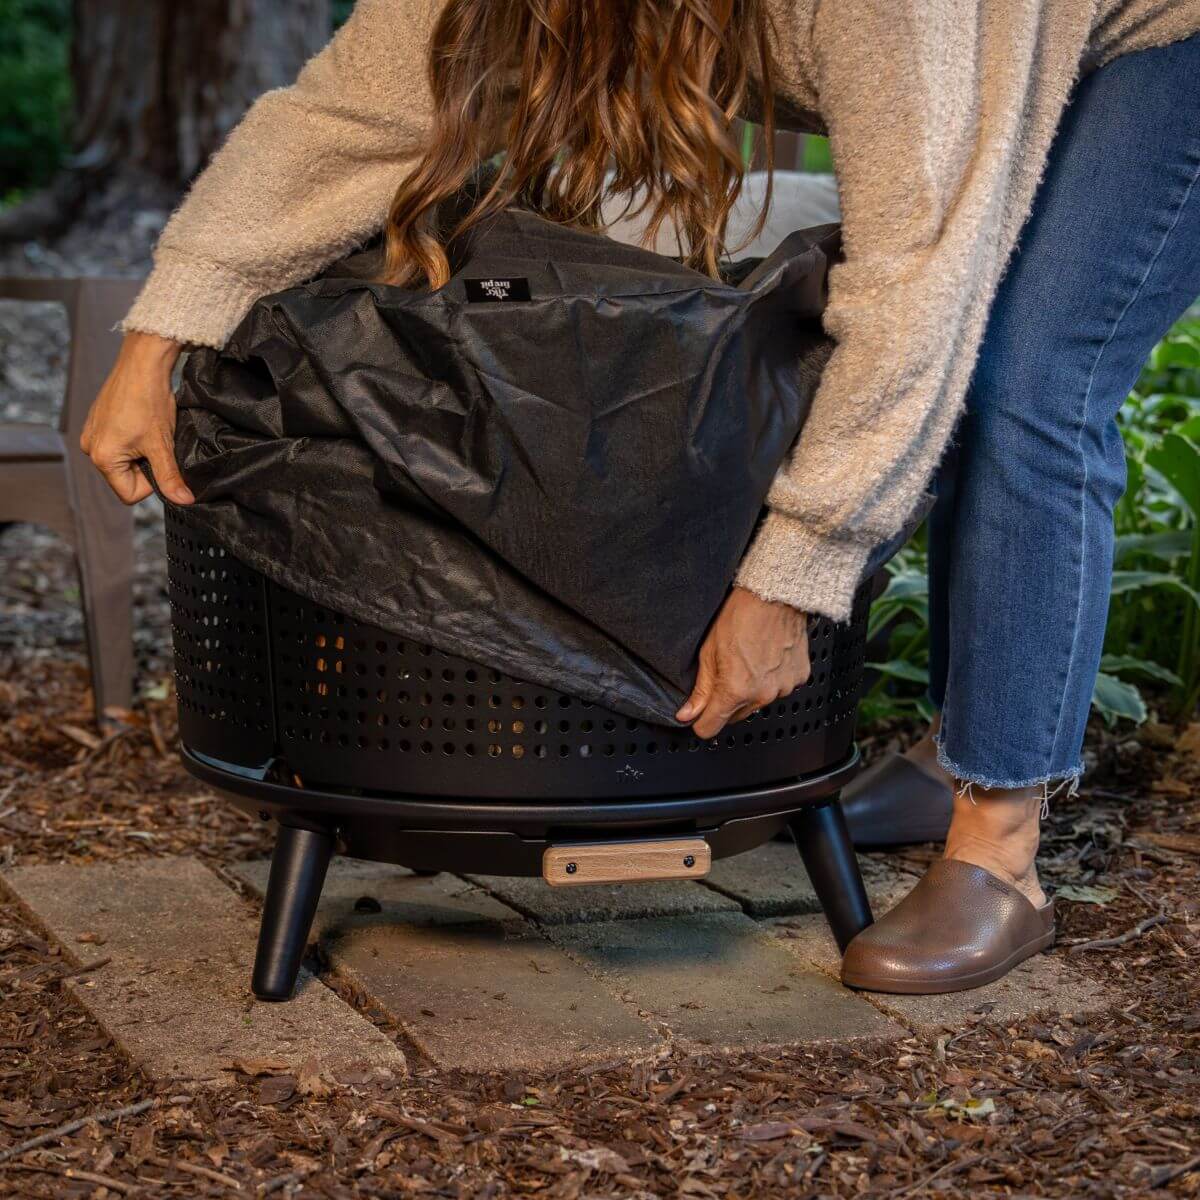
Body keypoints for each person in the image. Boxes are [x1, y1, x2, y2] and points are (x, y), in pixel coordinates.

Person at [81, 0, 1200, 994]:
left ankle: (999, 844)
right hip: (1006, 44)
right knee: (970, 361)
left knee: (1027, 381)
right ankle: (956, 750)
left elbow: (917, 288)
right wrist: (160, 334)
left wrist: (792, 576)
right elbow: (344, 114)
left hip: (1160, 44)